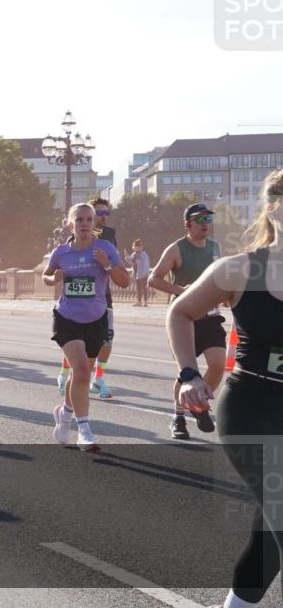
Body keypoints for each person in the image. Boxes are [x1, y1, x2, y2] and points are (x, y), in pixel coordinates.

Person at [166, 169, 283, 607]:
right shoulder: (237, 269)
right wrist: (188, 374)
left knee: (271, 529)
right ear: (273, 209)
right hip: (252, 405)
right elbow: (180, 313)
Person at [44, 203, 129, 452]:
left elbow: (125, 281)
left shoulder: (105, 248)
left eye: (88, 219)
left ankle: (65, 413)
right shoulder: (61, 252)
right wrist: (54, 277)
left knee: (79, 375)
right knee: (81, 372)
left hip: (96, 319)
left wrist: (107, 265)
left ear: (94, 224)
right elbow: (46, 276)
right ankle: (84, 430)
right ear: (71, 224)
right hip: (67, 319)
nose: (84, 223)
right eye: (79, 219)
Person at [149, 203, 225, 440]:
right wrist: (183, 291)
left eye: (207, 219)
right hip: (184, 319)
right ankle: (178, 416)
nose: (205, 224)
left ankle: (199, 404)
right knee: (186, 373)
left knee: (218, 364)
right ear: (187, 224)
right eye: (199, 219)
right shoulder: (176, 249)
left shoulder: (216, 248)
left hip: (211, 316)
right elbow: (154, 279)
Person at [56, 197, 124, 399]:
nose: (103, 217)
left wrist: (109, 266)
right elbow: (63, 261)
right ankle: (64, 373)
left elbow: (117, 265)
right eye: (99, 213)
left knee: (107, 341)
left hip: (102, 296)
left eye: (105, 213)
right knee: (75, 342)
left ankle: (99, 378)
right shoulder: (73, 239)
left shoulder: (110, 235)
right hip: (74, 300)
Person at [127, 239, 151, 306]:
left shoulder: (143, 254)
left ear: (138, 247)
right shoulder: (134, 254)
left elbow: (146, 264)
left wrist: (145, 273)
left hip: (143, 274)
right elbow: (131, 262)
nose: (133, 247)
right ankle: (139, 301)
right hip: (137, 273)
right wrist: (127, 257)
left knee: (144, 288)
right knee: (138, 288)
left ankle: (145, 302)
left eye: (134, 246)